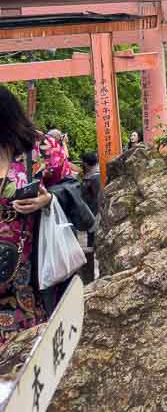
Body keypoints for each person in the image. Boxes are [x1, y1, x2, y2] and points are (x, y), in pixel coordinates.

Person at [0, 86, 77, 346]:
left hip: (28, 278)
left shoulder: (40, 148)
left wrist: (49, 199)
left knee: (26, 358)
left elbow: (72, 186)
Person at [79, 151, 101, 283]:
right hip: (91, 214)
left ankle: (91, 278)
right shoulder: (92, 175)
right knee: (90, 243)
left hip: (94, 215)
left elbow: (98, 198)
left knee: (92, 245)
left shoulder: (94, 177)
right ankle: (90, 276)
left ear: (86, 163)